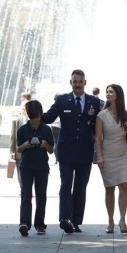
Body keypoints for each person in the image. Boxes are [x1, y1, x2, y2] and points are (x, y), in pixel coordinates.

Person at [41, 69, 100, 234]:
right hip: (66, 151)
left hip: (85, 151)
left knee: (81, 187)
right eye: (75, 82)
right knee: (66, 184)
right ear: (71, 82)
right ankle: (64, 218)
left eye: (80, 82)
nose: (78, 85)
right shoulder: (62, 100)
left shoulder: (94, 102)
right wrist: (35, 113)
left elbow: (100, 124)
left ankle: (76, 221)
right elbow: (49, 117)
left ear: (85, 83)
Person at [95, 84, 127, 234]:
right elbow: (98, 138)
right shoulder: (101, 115)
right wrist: (99, 157)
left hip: (123, 154)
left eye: (111, 91)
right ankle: (110, 220)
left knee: (124, 186)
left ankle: (123, 220)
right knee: (109, 188)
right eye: (107, 91)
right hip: (107, 154)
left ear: (118, 94)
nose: (108, 94)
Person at [16, 100, 54, 236]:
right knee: (26, 195)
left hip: (42, 166)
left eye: (37, 116)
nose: (35, 119)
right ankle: (24, 223)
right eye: (33, 116)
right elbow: (18, 149)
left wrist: (45, 144)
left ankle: (40, 224)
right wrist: (26, 145)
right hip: (26, 166)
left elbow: (51, 150)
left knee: (41, 196)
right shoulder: (22, 130)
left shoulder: (46, 129)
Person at [10, 93, 31, 186]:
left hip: (32, 152)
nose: (25, 111)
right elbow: (12, 137)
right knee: (20, 172)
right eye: (23, 109)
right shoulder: (16, 122)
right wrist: (11, 151)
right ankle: (23, 188)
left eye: (27, 108)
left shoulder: (35, 121)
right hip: (19, 151)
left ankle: (28, 188)